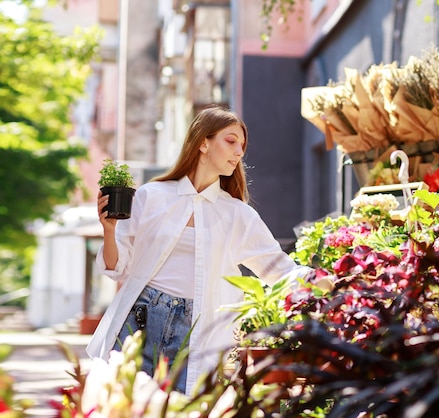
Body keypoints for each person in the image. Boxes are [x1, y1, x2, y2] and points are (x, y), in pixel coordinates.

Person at [86, 104, 309, 395]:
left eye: (242, 145)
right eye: (230, 141)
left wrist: (323, 284)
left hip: (197, 328)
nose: (239, 152)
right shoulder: (150, 197)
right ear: (203, 142)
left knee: (182, 408)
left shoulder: (237, 214)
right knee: (128, 406)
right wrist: (110, 230)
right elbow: (118, 268)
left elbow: (278, 269)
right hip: (141, 319)